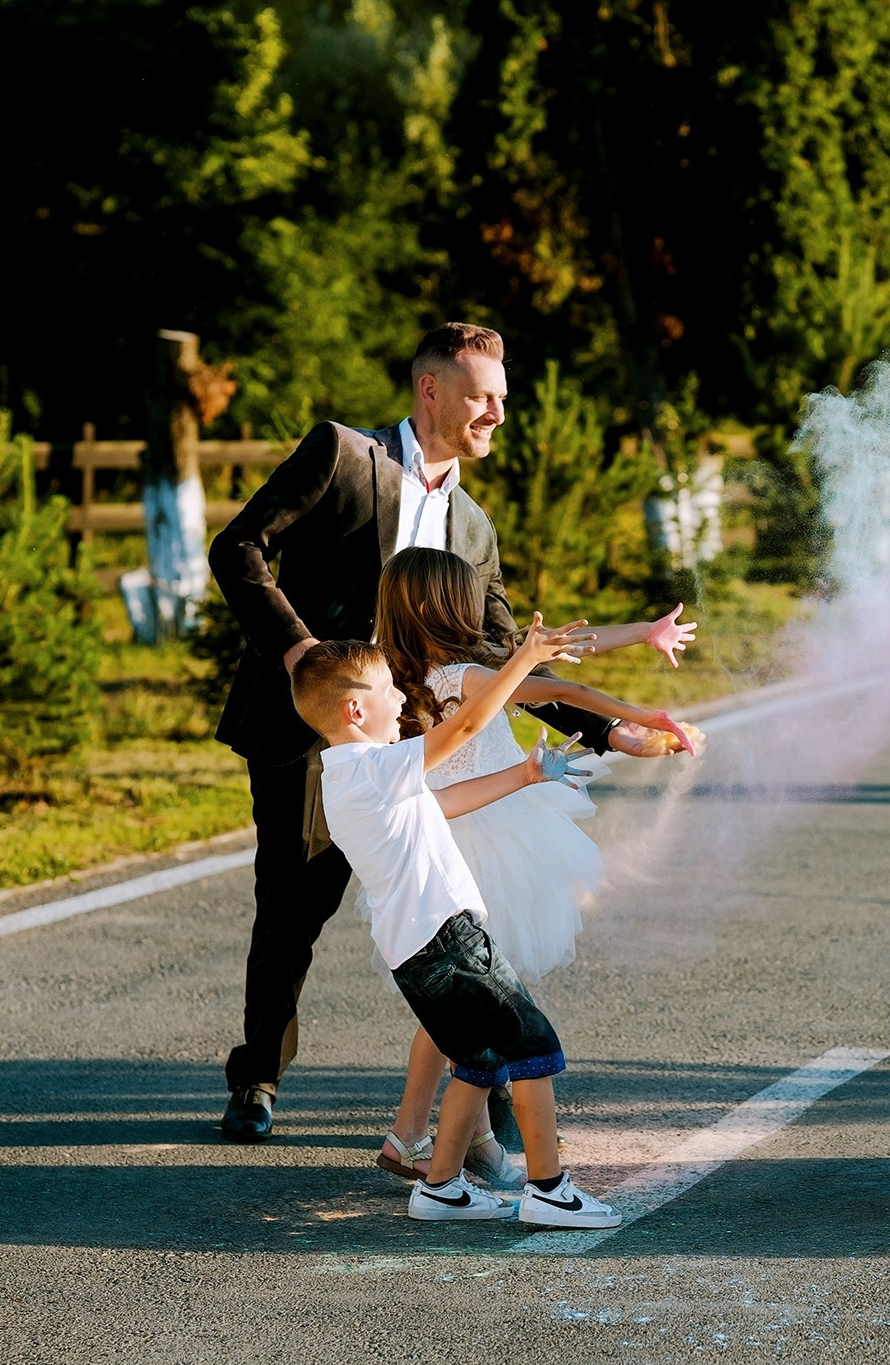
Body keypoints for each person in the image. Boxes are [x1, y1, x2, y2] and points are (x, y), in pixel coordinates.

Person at [209, 322, 697, 1143]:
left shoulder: (474, 529)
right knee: (292, 902)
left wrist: (612, 732)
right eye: (483, 396)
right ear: (431, 390)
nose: (497, 414)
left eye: (502, 398)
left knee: (457, 910)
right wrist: (303, 655)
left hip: (424, 740)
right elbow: (239, 547)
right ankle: (258, 1072)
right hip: (314, 724)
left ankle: (488, 1079)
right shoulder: (342, 456)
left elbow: (508, 660)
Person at [367, 546, 703, 1186]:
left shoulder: (400, 677)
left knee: (458, 1002)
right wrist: (639, 716)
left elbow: (574, 647)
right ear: (441, 605)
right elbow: (563, 685)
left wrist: (646, 632)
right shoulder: (462, 676)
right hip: (488, 842)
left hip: (440, 836)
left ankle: (451, 1137)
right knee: (471, 1002)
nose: (477, 605)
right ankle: (414, 1137)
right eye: (467, 595)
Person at [294, 624, 621, 1225]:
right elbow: (467, 724)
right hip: (448, 940)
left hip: (415, 950)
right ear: (354, 709)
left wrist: (525, 775)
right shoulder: (374, 768)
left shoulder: (348, 779)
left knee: (479, 1057)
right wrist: (524, 658)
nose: (402, 699)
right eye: (390, 689)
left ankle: (441, 1187)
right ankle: (550, 1191)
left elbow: (440, 806)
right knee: (534, 1045)